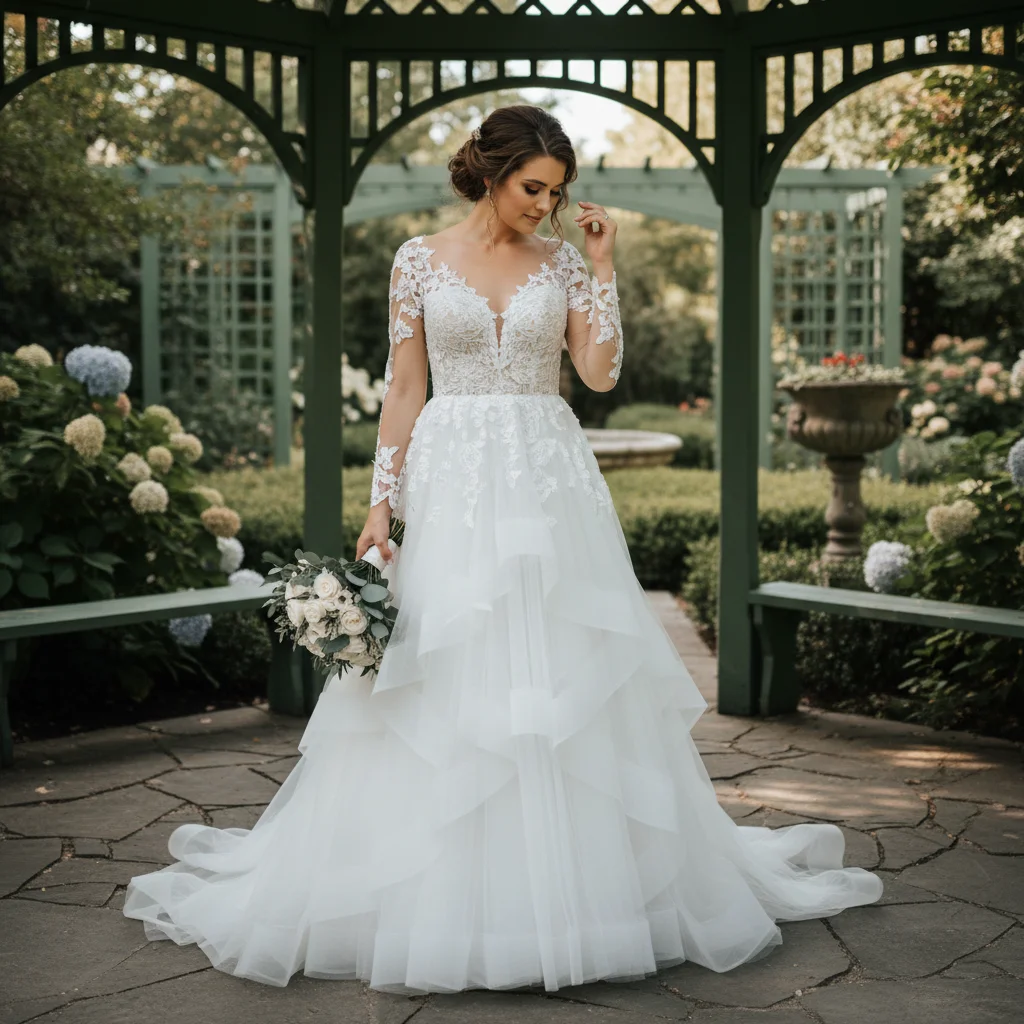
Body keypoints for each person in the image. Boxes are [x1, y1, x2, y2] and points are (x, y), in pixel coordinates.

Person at [123, 104, 882, 994]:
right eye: (532, 187)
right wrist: (380, 504)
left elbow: (598, 374)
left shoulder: (563, 261)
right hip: (452, 479)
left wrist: (603, 267)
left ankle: (576, 894)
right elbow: (404, 389)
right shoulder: (416, 259)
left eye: (555, 192)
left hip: (547, 479)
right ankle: (438, 894)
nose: (544, 205)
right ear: (489, 172)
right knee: (445, 662)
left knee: (562, 669)